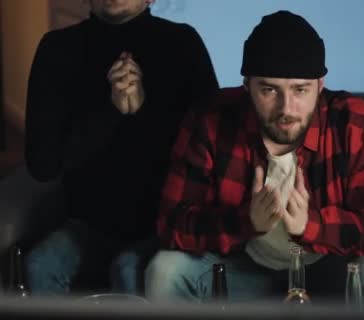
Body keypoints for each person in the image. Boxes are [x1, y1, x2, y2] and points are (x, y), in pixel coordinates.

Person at [144, 10, 364, 307]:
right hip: (242, 266)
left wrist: (311, 225)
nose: (286, 108)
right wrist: (245, 221)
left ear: (320, 85)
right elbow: (172, 222)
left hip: (329, 266)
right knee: (165, 271)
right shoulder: (211, 118)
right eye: (269, 90)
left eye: (300, 90)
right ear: (247, 86)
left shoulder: (354, 122)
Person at [24, 0, 219, 296]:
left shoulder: (182, 43)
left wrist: (142, 109)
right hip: (88, 224)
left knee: (128, 270)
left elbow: (210, 152)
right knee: (40, 265)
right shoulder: (58, 48)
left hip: (164, 223)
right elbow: (42, 165)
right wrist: (110, 111)